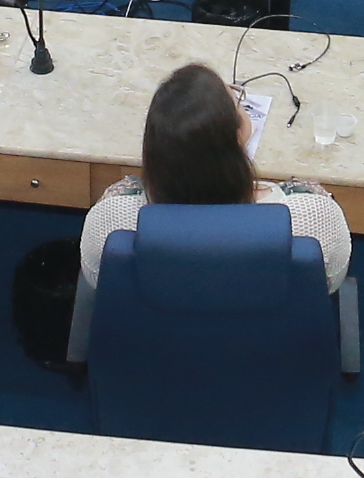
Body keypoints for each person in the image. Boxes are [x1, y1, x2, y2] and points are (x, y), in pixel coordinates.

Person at [79, 65, 349, 315]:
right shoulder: (315, 217)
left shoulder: (109, 222)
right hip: (270, 349)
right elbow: (331, 281)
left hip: (154, 349)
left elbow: (96, 280)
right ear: (239, 135)